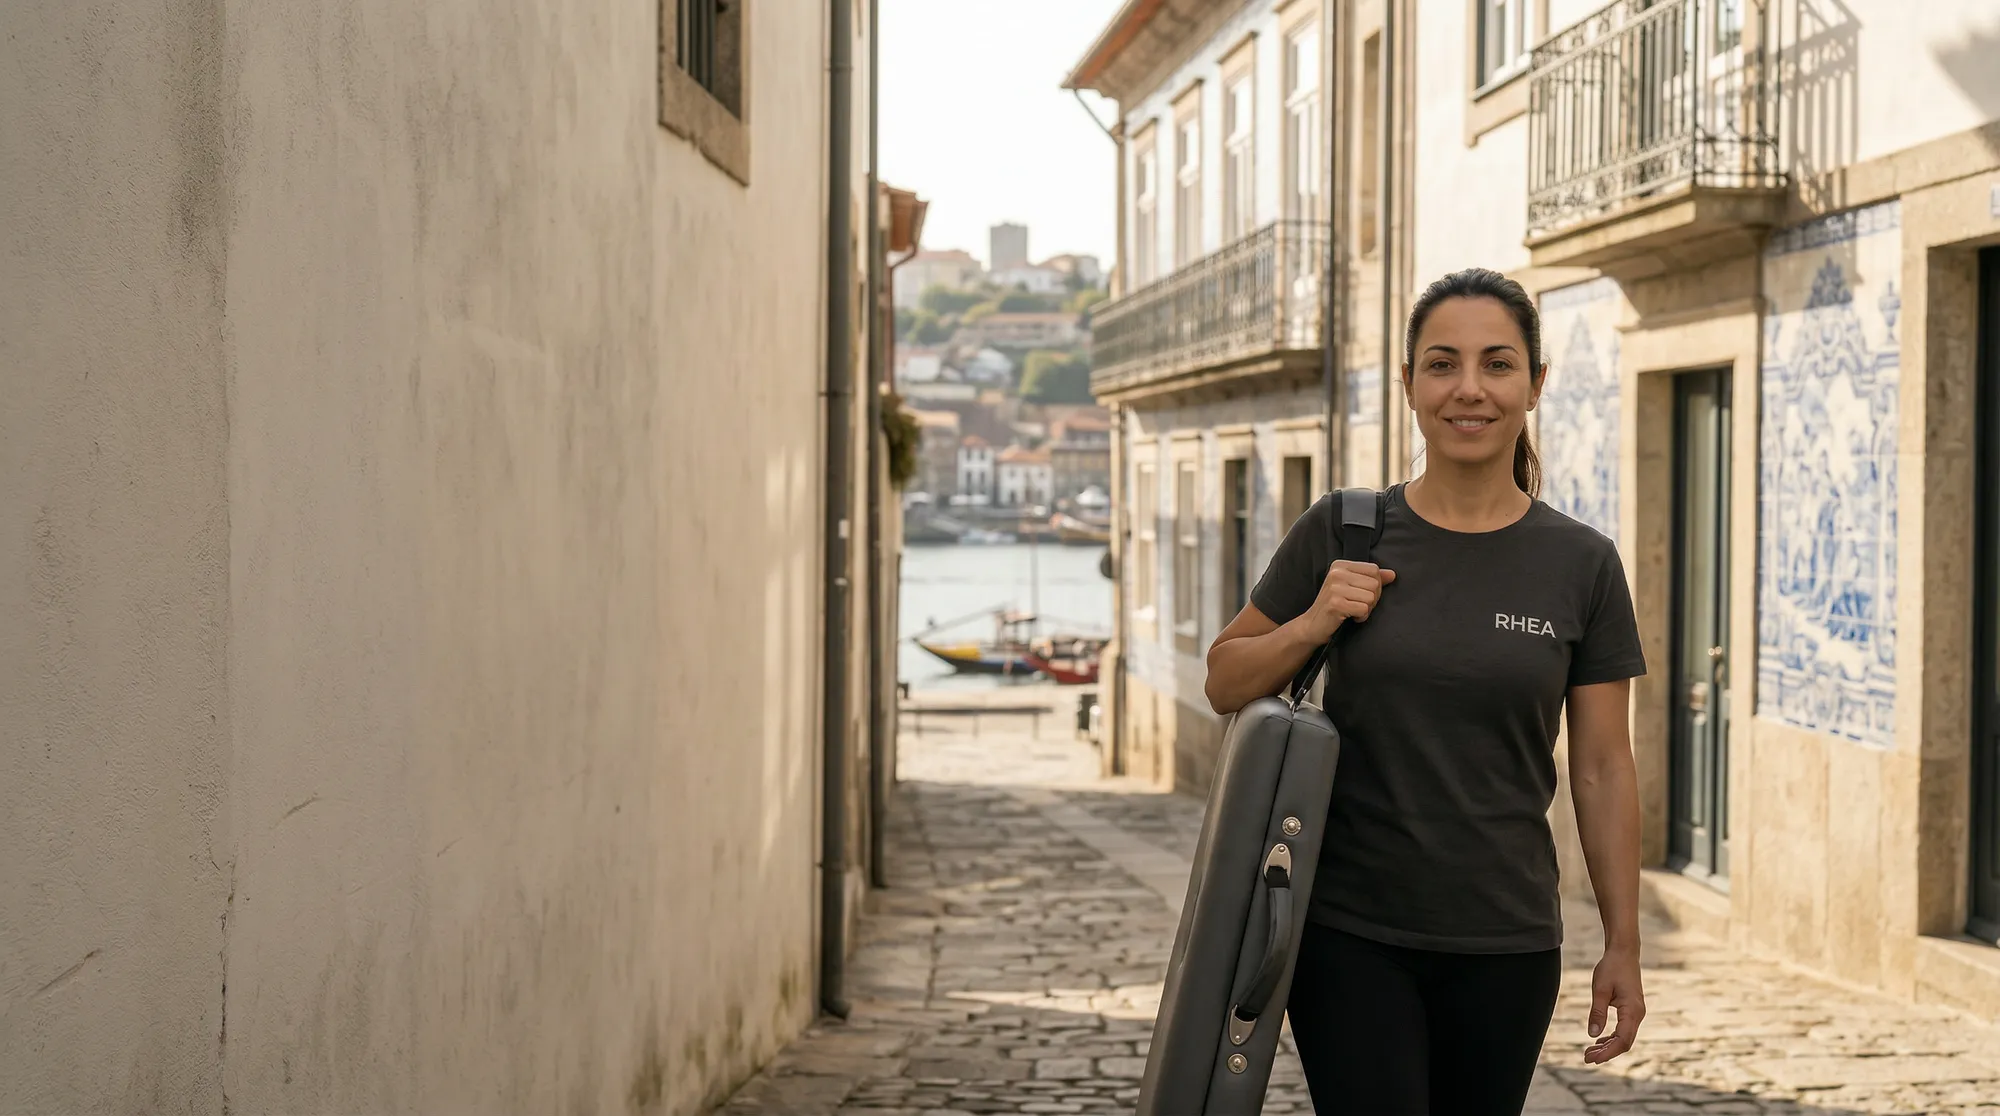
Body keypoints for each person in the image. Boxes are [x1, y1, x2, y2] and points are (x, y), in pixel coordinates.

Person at [1204, 267, 1647, 1113]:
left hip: (1509, 941)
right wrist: (1312, 624)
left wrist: (1622, 943)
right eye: (1442, 364)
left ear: (1535, 384)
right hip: (1347, 932)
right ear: (1409, 383)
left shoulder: (1582, 563)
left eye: (1497, 364)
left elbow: (1602, 767)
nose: (1469, 389)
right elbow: (1225, 678)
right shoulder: (1346, 528)